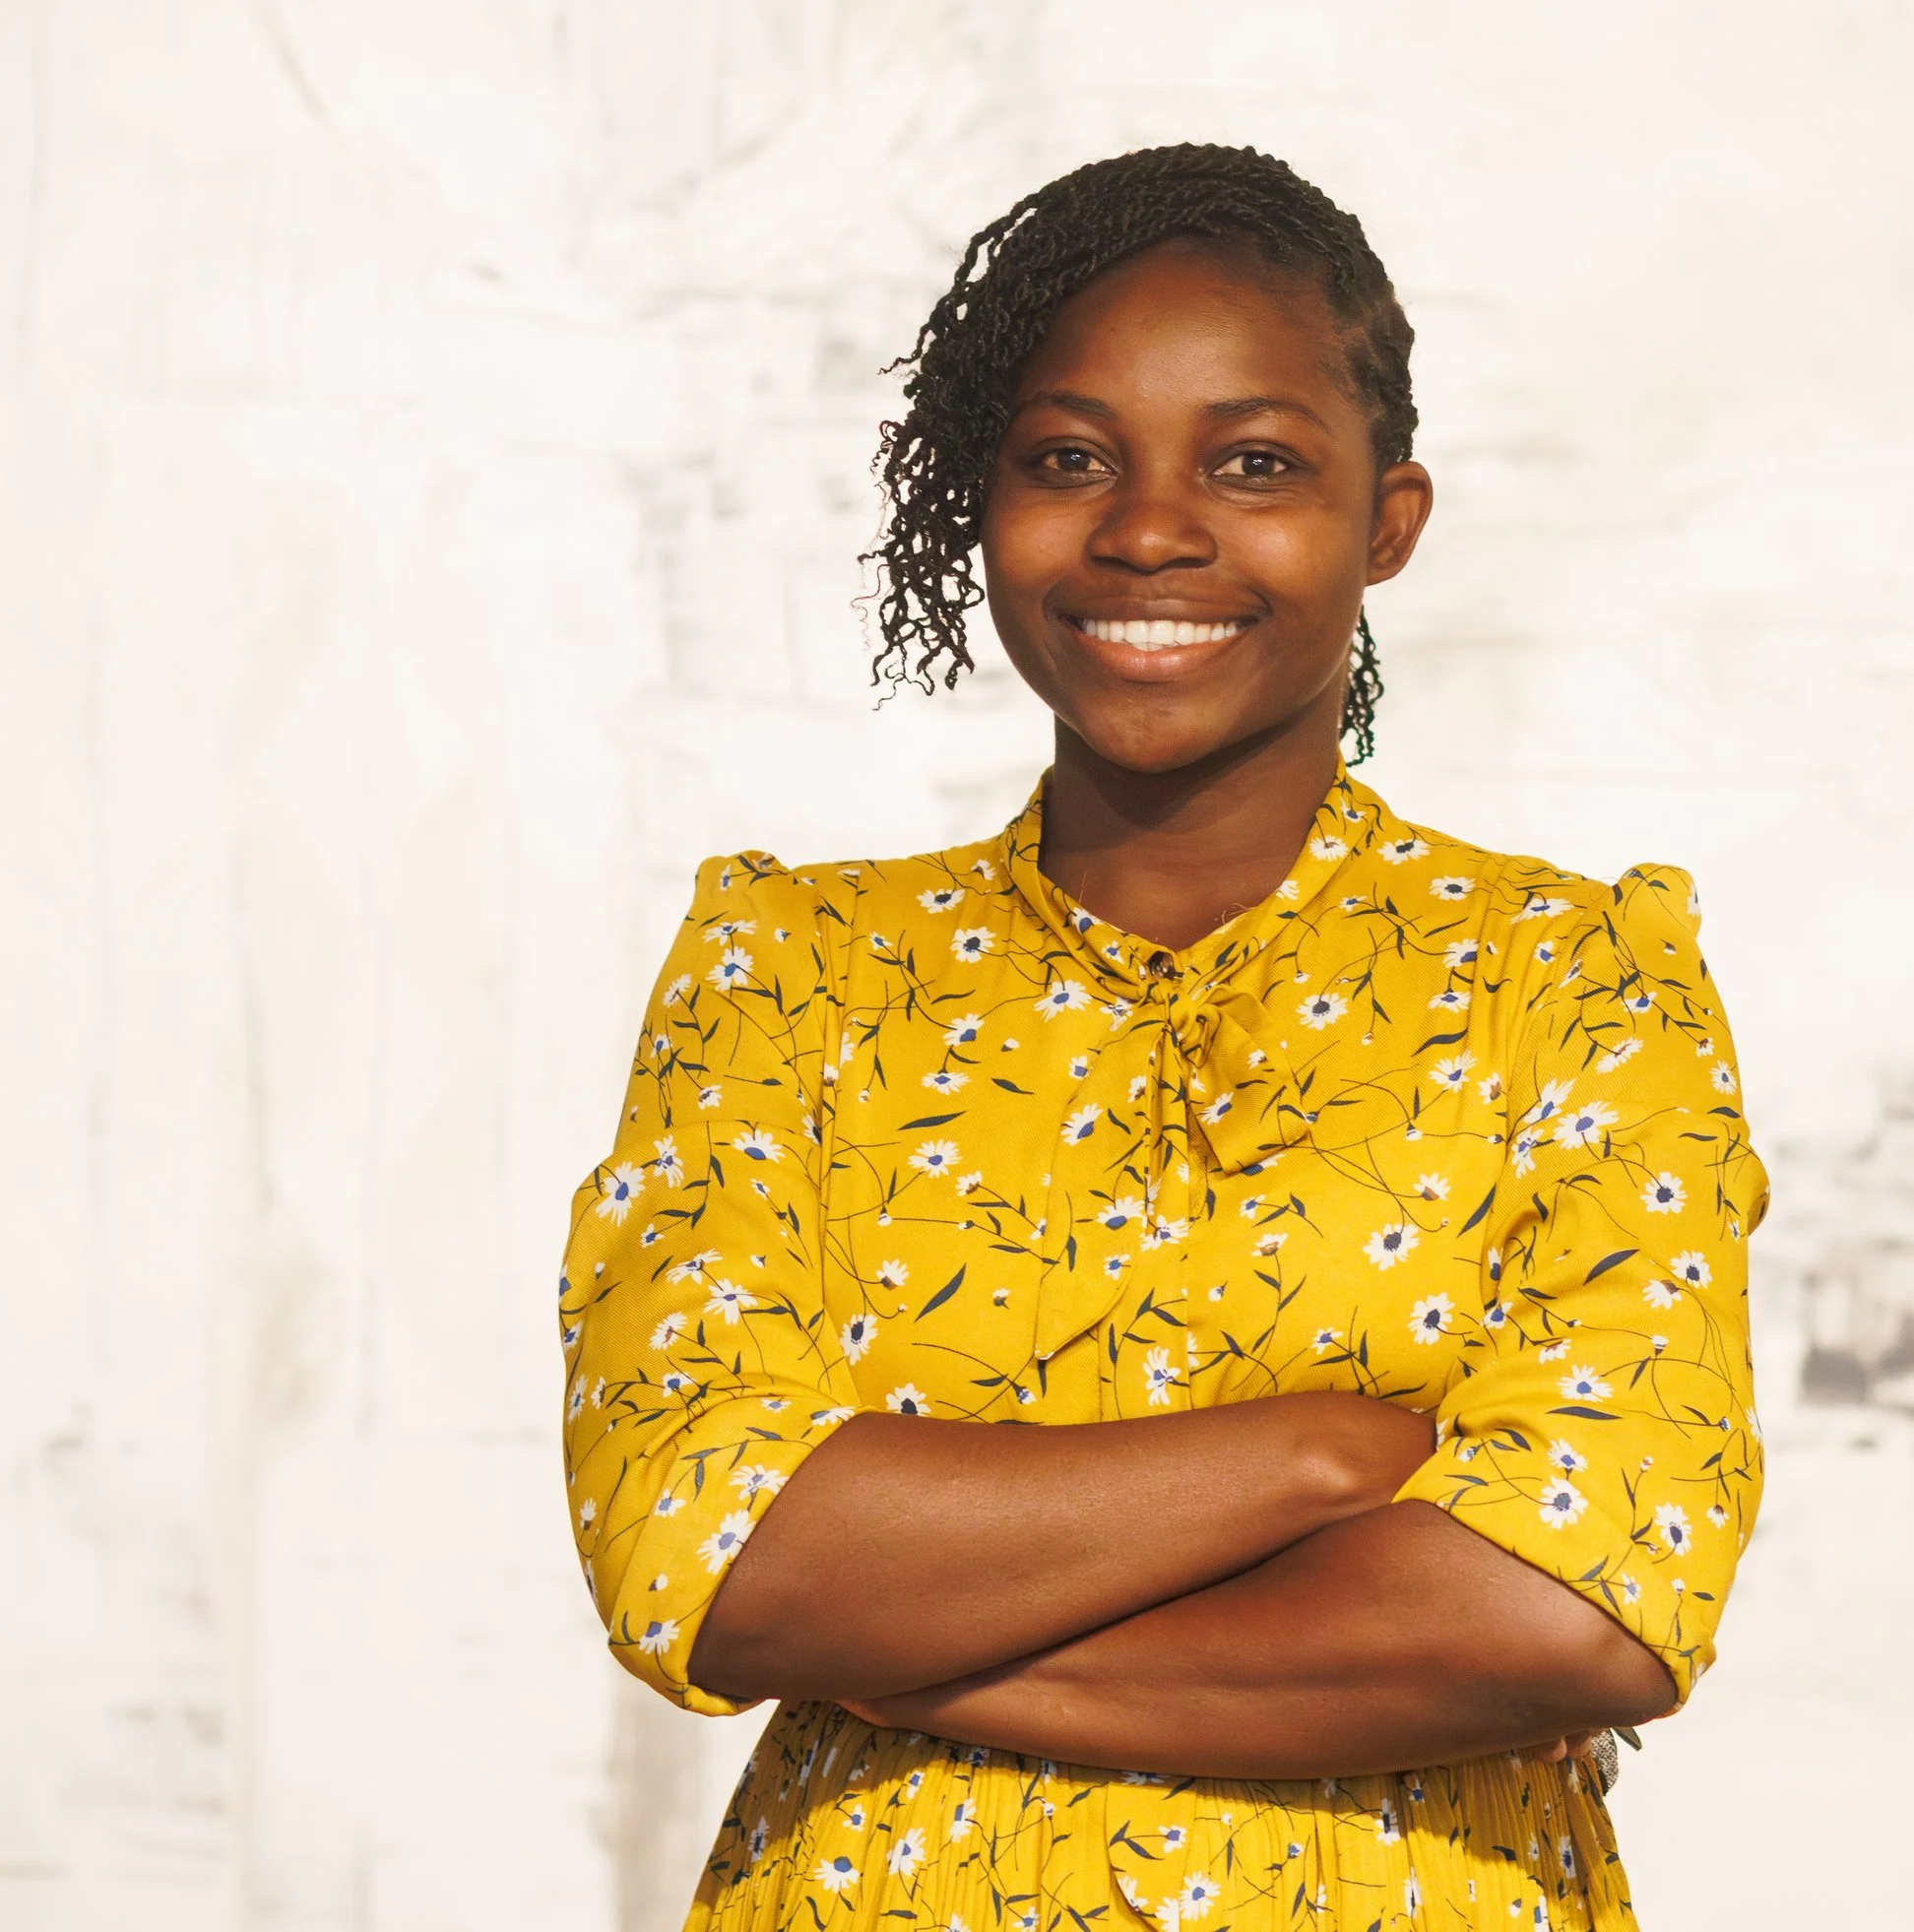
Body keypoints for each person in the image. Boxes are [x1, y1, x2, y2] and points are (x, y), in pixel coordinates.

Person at [559, 143, 1768, 1932]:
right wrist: (1330, 1453)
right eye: (1069, 459)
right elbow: (707, 1553)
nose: (1145, 528)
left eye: (1254, 462)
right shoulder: (792, 968)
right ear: (987, 505)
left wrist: (905, 1644)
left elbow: (1579, 1603)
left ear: (1390, 520)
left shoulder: (1573, 978)